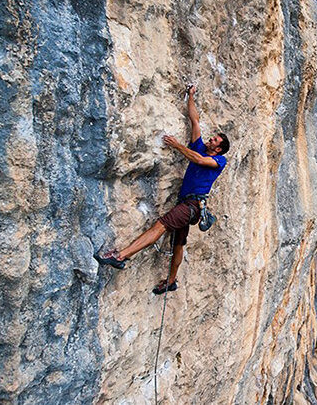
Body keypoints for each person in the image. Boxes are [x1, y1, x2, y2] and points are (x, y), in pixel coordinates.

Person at [94, 85, 230, 294]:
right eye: (212, 138)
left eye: (214, 140)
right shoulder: (201, 148)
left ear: (218, 148)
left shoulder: (219, 160)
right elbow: (195, 120)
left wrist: (177, 145)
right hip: (188, 204)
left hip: (192, 205)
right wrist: (191, 96)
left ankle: (120, 256)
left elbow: (199, 160)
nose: (210, 140)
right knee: (178, 244)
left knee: (160, 226)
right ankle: (171, 281)